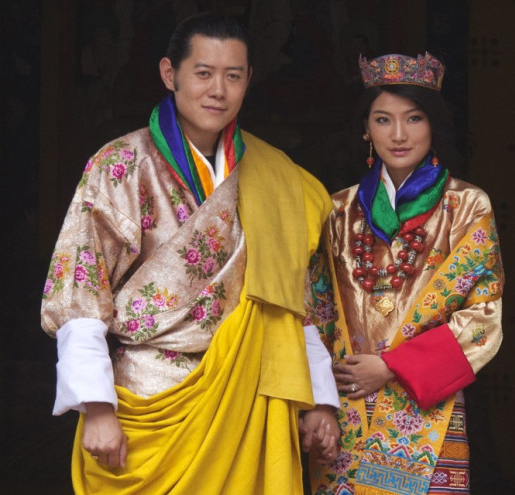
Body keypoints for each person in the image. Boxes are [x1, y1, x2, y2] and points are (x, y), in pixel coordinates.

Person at [41, 12, 339, 494]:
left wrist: (318, 400)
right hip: (147, 398)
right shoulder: (120, 164)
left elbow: (293, 302)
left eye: (233, 76)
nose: (217, 89)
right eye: (203, 73)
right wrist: (96, 406)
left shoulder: (275, 176)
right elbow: (79, 290)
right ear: (169, 74)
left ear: (248, 82)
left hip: (245, 398)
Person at [309, 52, 505, 494]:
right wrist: (317, 403)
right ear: (366, 129)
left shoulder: (467, 206)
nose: (398, 135)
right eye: (383, 120)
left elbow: (483, 318)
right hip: (346, 412)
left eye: (413, 119)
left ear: (433, 125)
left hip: (425, 412)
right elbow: (315, 312)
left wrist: (391, 367)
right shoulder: (336, 211)